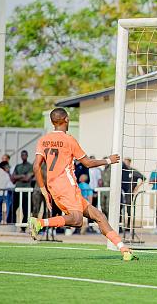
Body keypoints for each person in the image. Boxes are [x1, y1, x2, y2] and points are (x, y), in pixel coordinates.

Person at [28, 108, 136, 260]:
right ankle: (40, 222)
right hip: (66, 185)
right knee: (77, 220)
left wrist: (44, 190)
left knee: (99, 216)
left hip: (56, 187)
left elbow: (36, 166)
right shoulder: (69, 140)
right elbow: (88, 163)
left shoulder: (43, 140)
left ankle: (123, 249)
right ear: (66, 119)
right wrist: (108, 160)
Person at [121, 159, 145, 236]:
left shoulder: (133, 171)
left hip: (129, 193)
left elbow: (143, 178)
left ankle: (128, 226)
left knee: (128, 210)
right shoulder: (122, 171)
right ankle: (120, 226)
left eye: (126, 162)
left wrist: (136, 187)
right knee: (120, 209)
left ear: (129, 162)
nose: (125, 164)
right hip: (122, 192)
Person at [11, 150, 34, 228]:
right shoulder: (18, 166)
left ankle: (23, 227)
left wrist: (18, 177)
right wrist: (22, 176)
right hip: (17, 190)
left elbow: (27, 178)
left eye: (25, 155)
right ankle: (13, 225)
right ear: (21, 156)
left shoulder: (30, 166)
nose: (23, 156)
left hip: (26, 191)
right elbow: (13, 178)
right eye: (22, 155)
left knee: (26, 210)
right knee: (13, 208)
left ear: (27, 156)